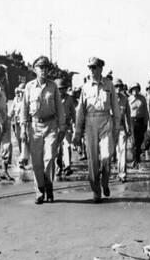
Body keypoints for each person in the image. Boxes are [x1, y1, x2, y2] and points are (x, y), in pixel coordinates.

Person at [73, 57, 120, 202]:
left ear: (101, 68)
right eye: (90, 68)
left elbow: (115, 108)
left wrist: (117, 128)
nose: (92, 71)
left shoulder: (109, 85)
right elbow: (80, 110)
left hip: (106, 120)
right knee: (92, 160)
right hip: (90, 122)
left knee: (107, 156)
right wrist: (78, 131)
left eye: (94, 67)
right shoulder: (85, 87)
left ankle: (105, 181)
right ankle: (96, 191)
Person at [20, 56, 66, 204]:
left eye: (46, 67)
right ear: (35, 69)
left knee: (49, 158)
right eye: (41, 67)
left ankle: (48, 184)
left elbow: (60, 108)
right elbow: (24, 109)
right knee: (37, 162)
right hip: (34, 127)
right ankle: (40, 190)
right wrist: (23, 128)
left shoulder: (53, 86)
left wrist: (62, 126)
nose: (44, 70)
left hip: (51, 126)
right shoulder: (29, 87)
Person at [55, 78, 76, 176]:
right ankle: (58, 166)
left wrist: (75, 122)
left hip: (67, 125)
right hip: (56, 126)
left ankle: (67, 166)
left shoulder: (69, 98)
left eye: (63, 88)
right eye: (59, 89)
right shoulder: (53, 99)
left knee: (67, 146)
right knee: (58, 148)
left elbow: (73, 111)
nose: (62, 90)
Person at [128, 82, 150, 168]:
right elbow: (127, 112)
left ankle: (137, 158)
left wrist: (146, 122)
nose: (135, 91)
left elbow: (146, 111)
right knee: (134, 141)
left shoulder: (142, 98)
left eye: (136, 89)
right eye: (133, 89)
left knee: (140, 141)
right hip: (132, 121)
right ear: (131, 90)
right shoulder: (129, 99)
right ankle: (135, 159)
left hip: (141, 121)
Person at [114, 78, 131, 182]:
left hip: (121, 129)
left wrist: (129, 128)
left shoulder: (125, 99)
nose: (118, 88)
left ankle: (122, 174)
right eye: (116, 86)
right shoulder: (108, 98)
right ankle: (115, 172)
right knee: (112, 152)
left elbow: (127, 116)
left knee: (122, 151)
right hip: (110, 129)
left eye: (119, 86)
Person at [10, 83, 30, 169]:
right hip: (16, 123)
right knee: (19, 141)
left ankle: (24, 160)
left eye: (22, 91)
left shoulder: (27, 100)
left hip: (25, 123)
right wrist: (8, 117)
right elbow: (11, 110)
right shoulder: (16, 99)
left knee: (24, 141)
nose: (20, 93)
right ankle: (23, 157)